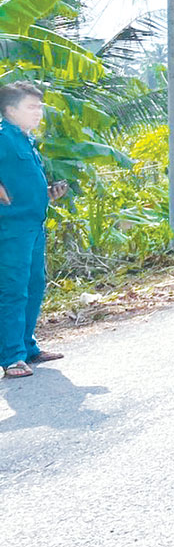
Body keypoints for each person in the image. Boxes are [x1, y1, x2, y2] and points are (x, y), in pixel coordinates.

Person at [0, 81, 66, 379]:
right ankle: (11, 356)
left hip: (32, 224)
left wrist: (48, 192)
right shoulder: (3, 137)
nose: (38, 112)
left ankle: (28, 347)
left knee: (34, 285)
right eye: (31, 107)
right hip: (10, 228)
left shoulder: (25, 139)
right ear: (10, 110)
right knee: (13, 289)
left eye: (39, 107)